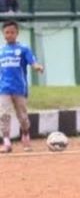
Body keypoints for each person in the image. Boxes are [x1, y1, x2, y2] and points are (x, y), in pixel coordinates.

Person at [0, 20, 43, 153]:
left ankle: (25, 135)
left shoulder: (23, 49)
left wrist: (37, 67)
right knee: (3, 114)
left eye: (12, 32)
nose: (9, 35)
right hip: (3, 89)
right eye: (7, 32)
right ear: (3, 34)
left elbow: (32, 62)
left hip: (19, 89)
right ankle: (6, 141)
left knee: (22, 116)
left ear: (17, 33)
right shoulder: (1, 51)